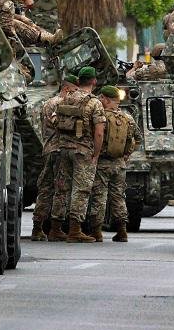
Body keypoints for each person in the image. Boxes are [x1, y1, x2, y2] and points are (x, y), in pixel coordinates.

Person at [48, 66, 105, 243]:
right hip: (83, 151)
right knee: (81, 189)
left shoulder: (66, 97)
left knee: (61, 188)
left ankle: (55, 229)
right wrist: (96, 154)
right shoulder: (94, 103)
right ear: (94, 81)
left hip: (63, 149)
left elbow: (54, 119)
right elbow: (99, 133)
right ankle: (74, 230)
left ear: (79, 81)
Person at [88, 86, 138, 242]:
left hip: (102, 162)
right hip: (120, 164)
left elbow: (95, 136)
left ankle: (96, 232)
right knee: (118, 197)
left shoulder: (100, 116)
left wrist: (95, 155)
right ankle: (122, 230)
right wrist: (126, 155)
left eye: (101, 98)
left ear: (106, 99)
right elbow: (137, 139)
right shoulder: (127, 118)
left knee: (99, 196)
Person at [31, 74, 78, 241]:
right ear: (66, 89)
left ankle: (38, 227)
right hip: (58, 150)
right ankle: (55, 229)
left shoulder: (49, 102)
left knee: (46, 189)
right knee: (61, 189)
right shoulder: (59, 104)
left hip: (50, 150)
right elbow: (60, 124)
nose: (76, 94)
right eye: (74, 90)